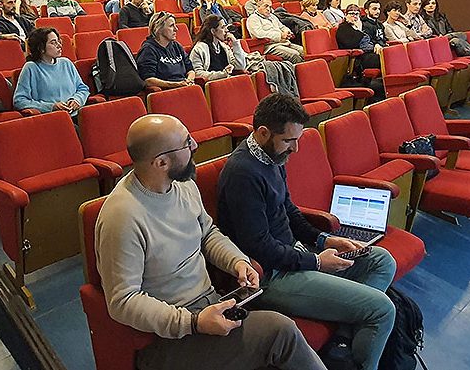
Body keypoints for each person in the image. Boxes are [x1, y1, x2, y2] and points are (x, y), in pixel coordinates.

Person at [95, 113, 327, 370]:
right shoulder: (122, 216)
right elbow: (123, 301)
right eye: (186, 143)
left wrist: (237, 261)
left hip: (210, 304)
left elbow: (207, 233)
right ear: (161, 162)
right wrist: (192, 322)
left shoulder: (182, 184)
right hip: (166, 337)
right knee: (280, 331)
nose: (195, 145)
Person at [217, 93, 396, 370]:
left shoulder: (271, 158)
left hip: (294, 255)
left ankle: (342, 341)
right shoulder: (243, 173)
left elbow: (289, 210)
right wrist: (316, 261)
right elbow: (259, 247)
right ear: (263, 133)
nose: (296, 149)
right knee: (382, 309)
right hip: (271, 276)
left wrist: (325, 239)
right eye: (289, 140)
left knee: (381, 260)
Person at [13, 28, 89, 114]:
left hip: (76, 114)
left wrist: (77, 100)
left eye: (58, 41)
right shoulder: (31, 68)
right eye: (53, 43)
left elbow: (83, 88)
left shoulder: (66, 63)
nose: (59, 45)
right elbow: (19, 101)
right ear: (41, 48)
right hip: (51, 118)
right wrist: (51, 107)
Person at [137, 12, 196, 89]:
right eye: (171, 26)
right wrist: (176, 84)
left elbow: (190, 69)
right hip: (167, 91)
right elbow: (148, 80)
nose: (176, 29)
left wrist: (189, 80)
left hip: (184, 87)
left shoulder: (176, 46)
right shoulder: (148, 50)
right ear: (158, 28)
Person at [190, 15, 249, 82]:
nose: (226, 30)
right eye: (223, 27)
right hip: (212, 86)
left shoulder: (224, 46)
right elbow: (198, 73)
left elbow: (240, 66)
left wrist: (235, 43)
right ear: (213, 31)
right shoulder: (199, 49)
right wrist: (222, 74)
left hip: (227, 82)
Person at [336, 5, 381, 70]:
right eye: (351, 13)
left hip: (368, 52)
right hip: (357, 57)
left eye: (357, 14)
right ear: (346, 15)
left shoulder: (362, 26)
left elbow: (371, 39)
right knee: (381, 59)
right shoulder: (343, 27)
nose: (354, 16)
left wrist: (376, 45)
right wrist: (358, 30)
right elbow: (350, 44)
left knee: (386, 55)